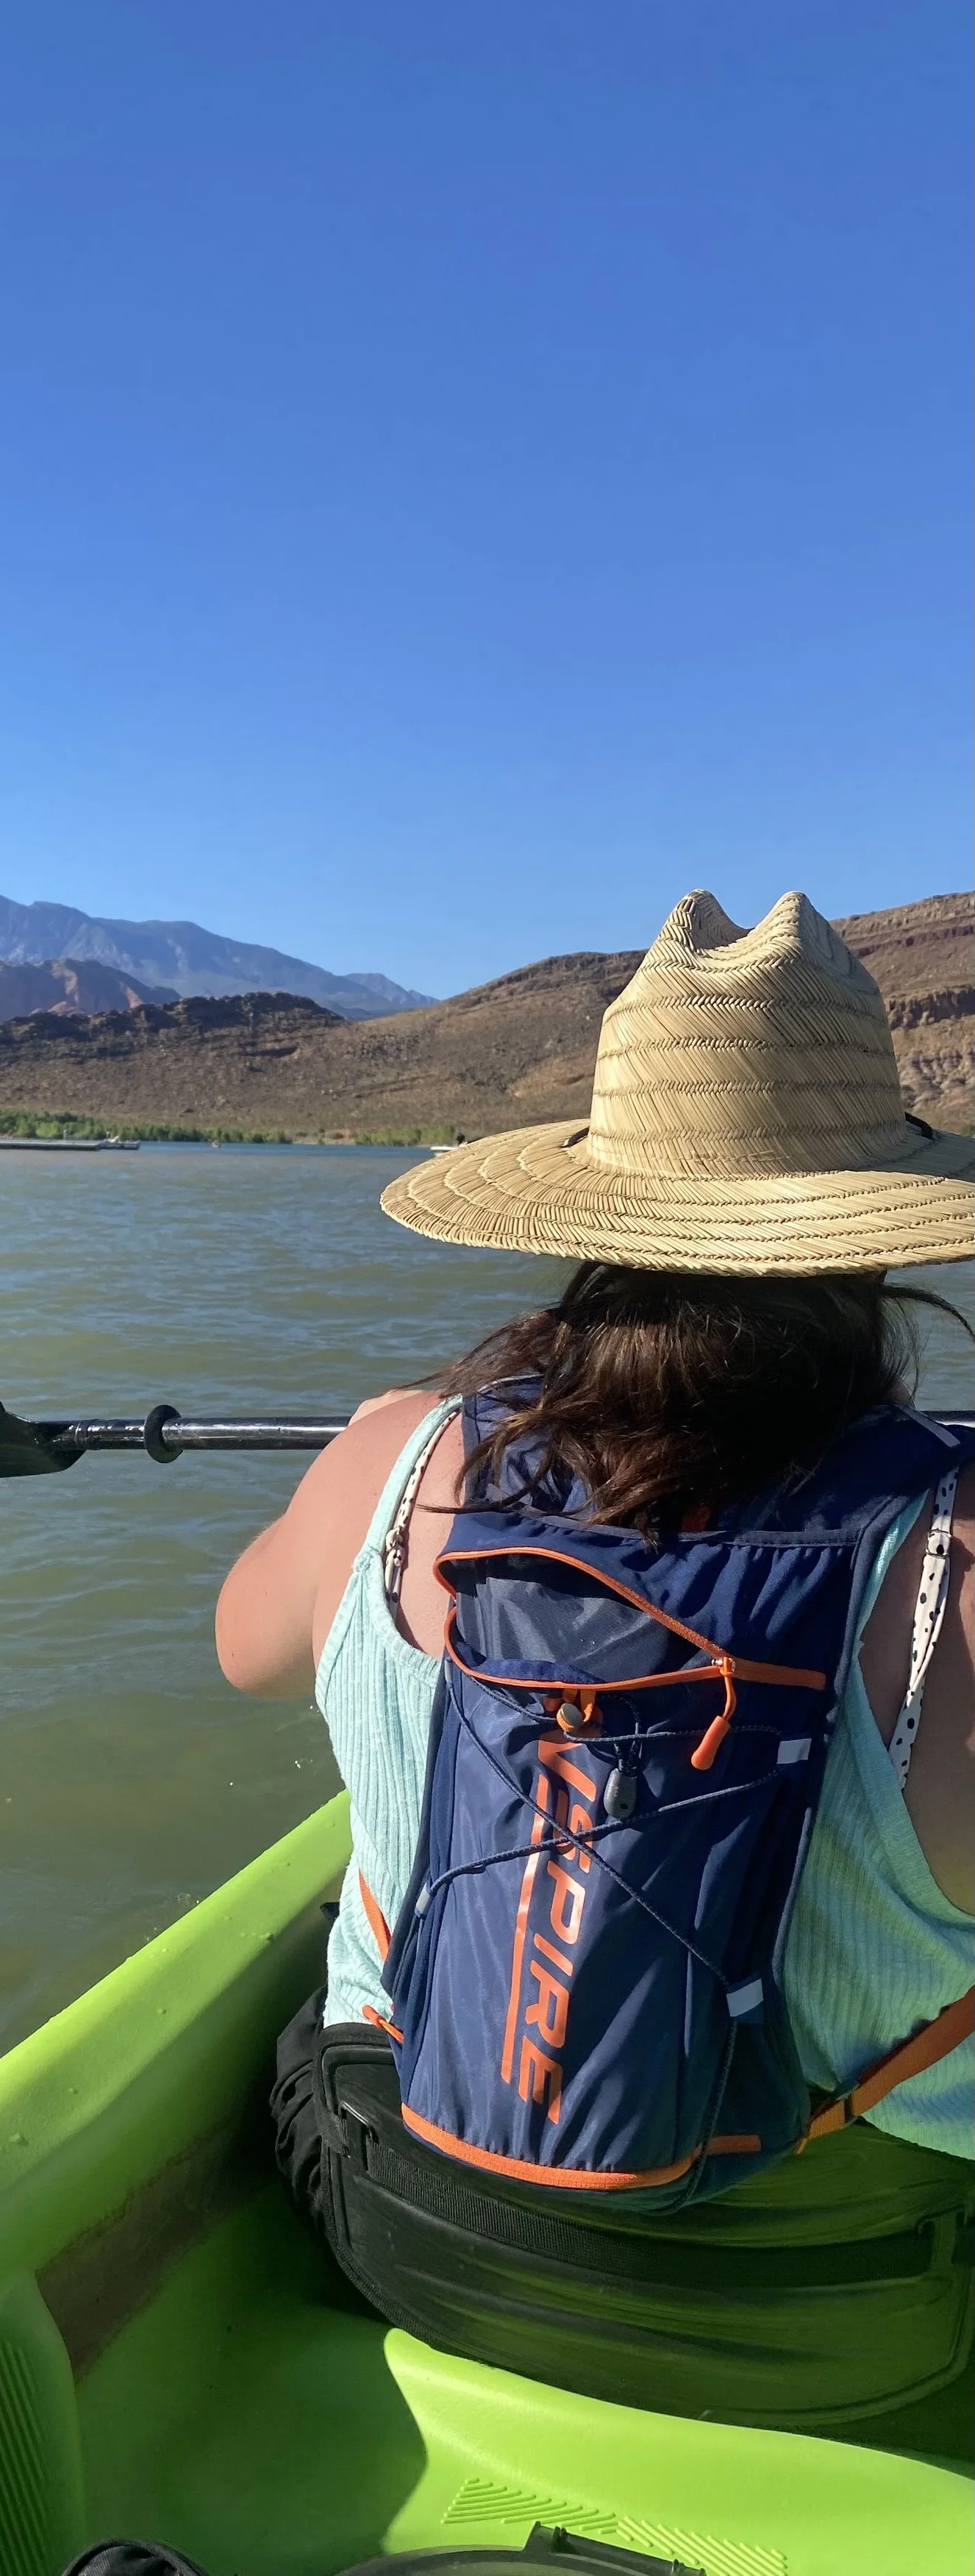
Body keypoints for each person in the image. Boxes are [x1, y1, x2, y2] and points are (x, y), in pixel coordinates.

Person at [217, 890, 974, 2435]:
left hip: (419, 2241)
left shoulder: (389, 1451)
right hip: (850, 2321)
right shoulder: (953, 1552)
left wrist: (414, 1420)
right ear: (878, 1238)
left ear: (582, 1224)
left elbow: (244, 1649)